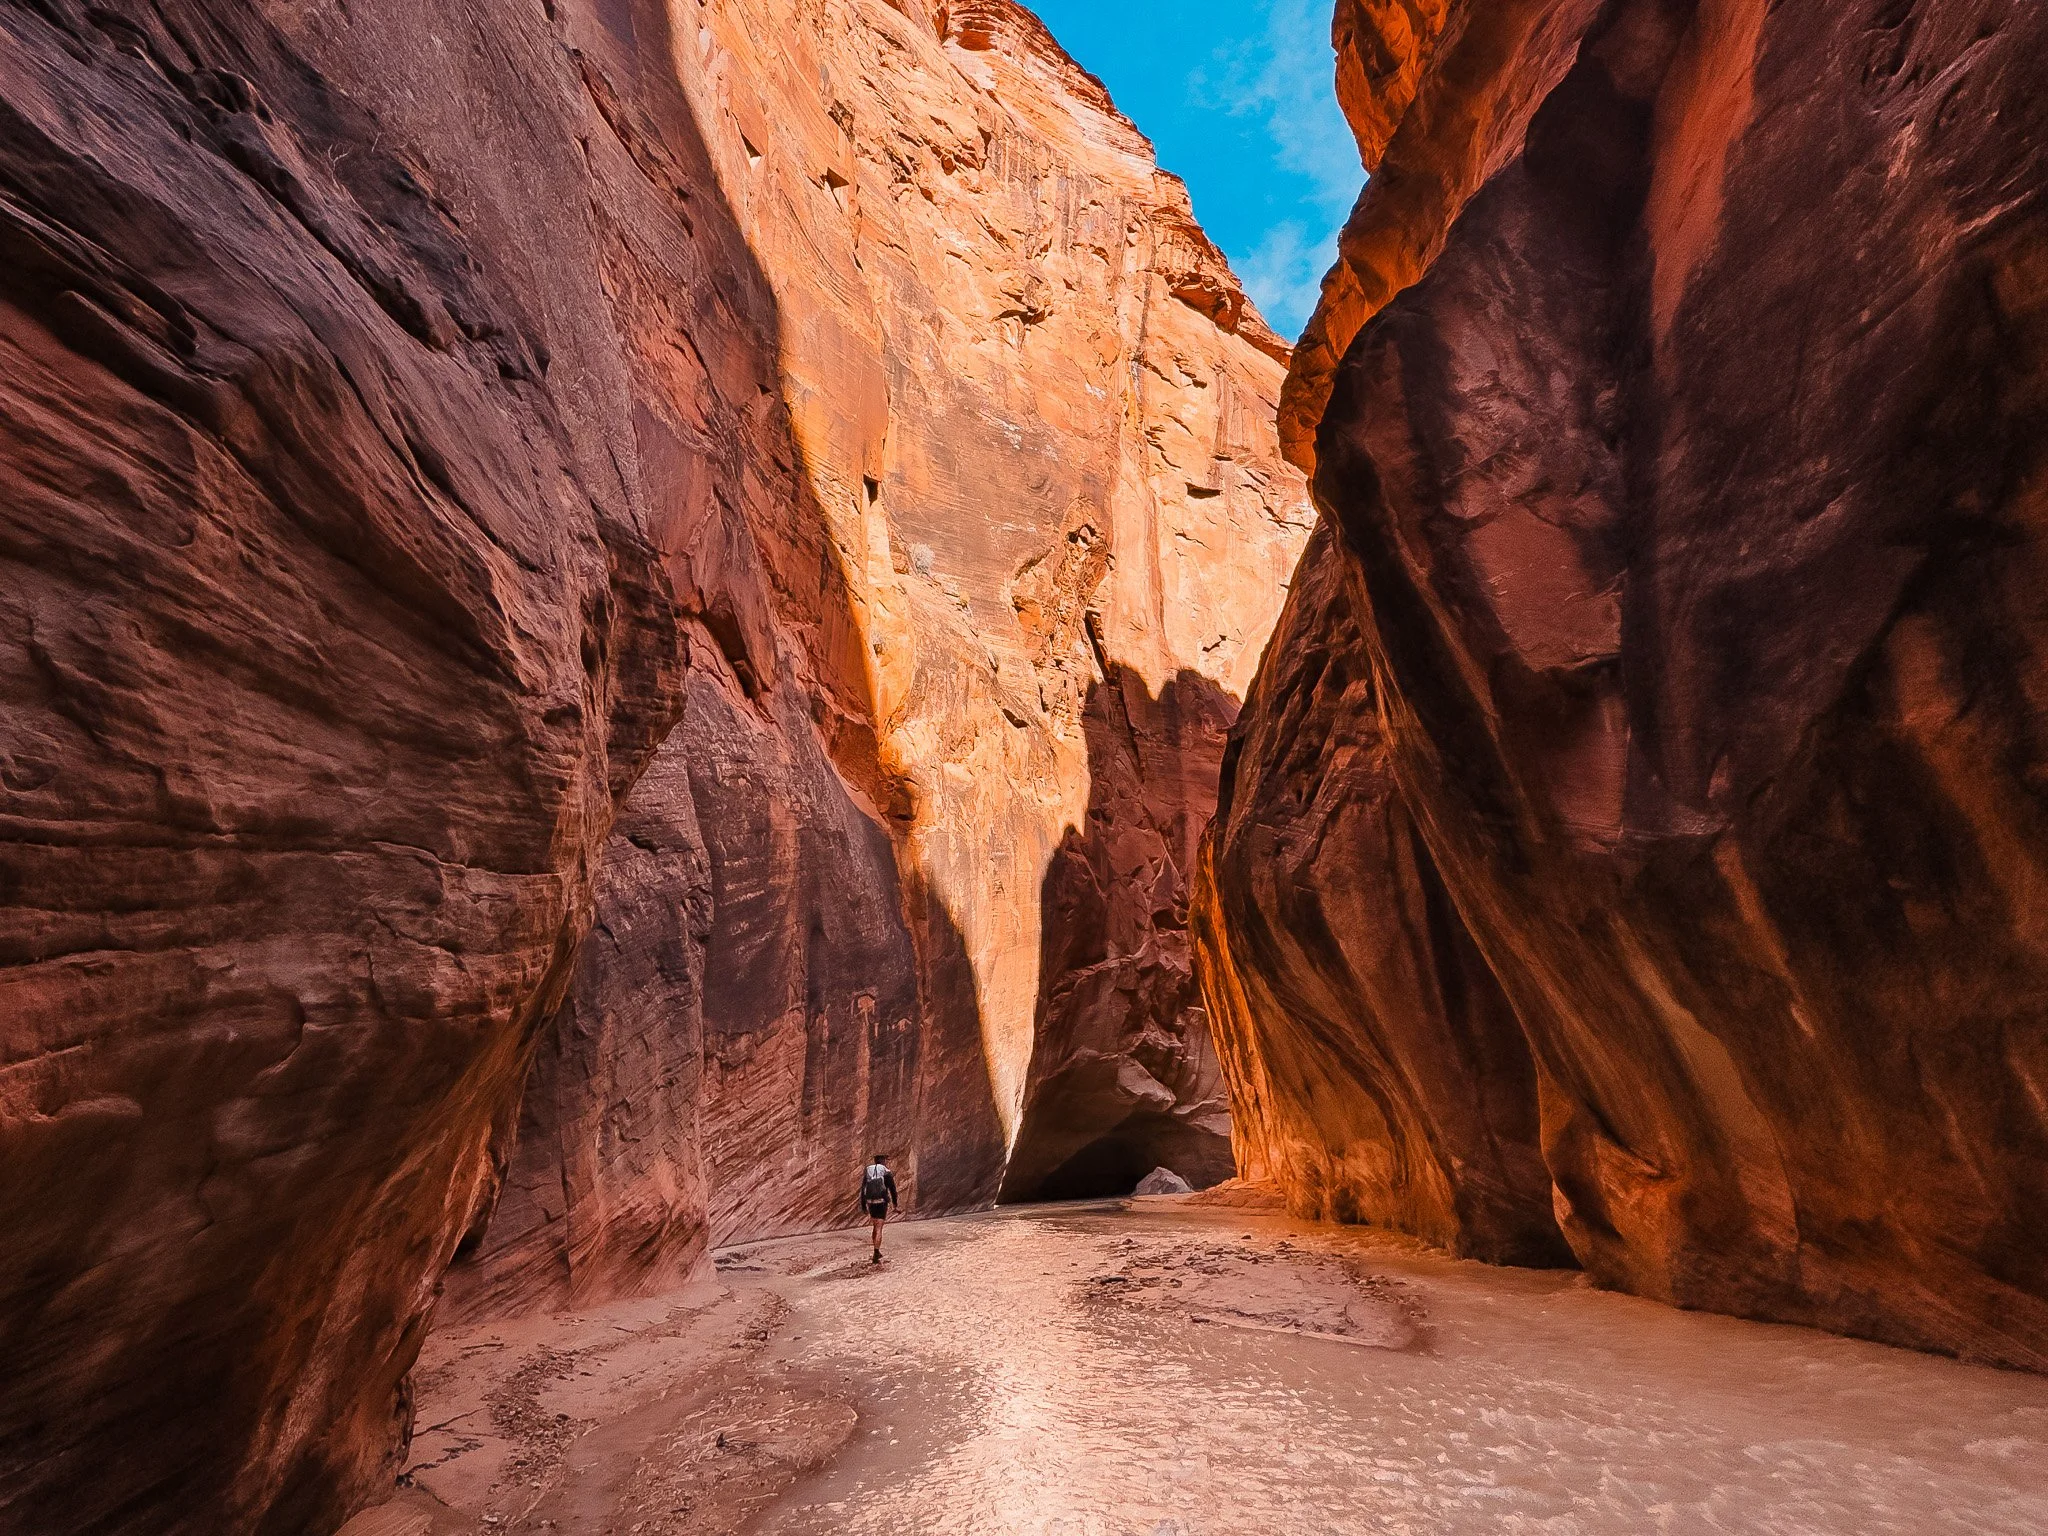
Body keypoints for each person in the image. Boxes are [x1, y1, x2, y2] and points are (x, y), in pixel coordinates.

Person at [860, 1154, 899, 1264]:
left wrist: (863, 1205)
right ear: (883, 1161)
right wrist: (895, 1204)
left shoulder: (869, 1171)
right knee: (879, 1227)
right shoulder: (885, 1172)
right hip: (881, 1202)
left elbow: (863, 1189)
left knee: (875, 1225)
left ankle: (876, 1250)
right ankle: (876, 1252)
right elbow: (892, 1188)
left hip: (870, 1201)